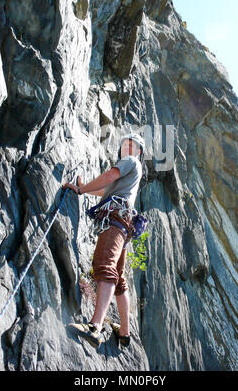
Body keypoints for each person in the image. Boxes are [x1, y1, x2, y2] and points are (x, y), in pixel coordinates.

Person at [63, 133, 145, 348]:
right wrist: (86, 187)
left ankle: (95, 327)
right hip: (125, 225)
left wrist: (80, 189)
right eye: (124, 144)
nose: (125, 147)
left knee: (104, 266)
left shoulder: (130, 161)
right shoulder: (133, 171)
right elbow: (105, 190)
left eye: (131, 145)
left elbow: (109, 176)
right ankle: (125, 333)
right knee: (118, 277)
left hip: (115, 221)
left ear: (139, 151)